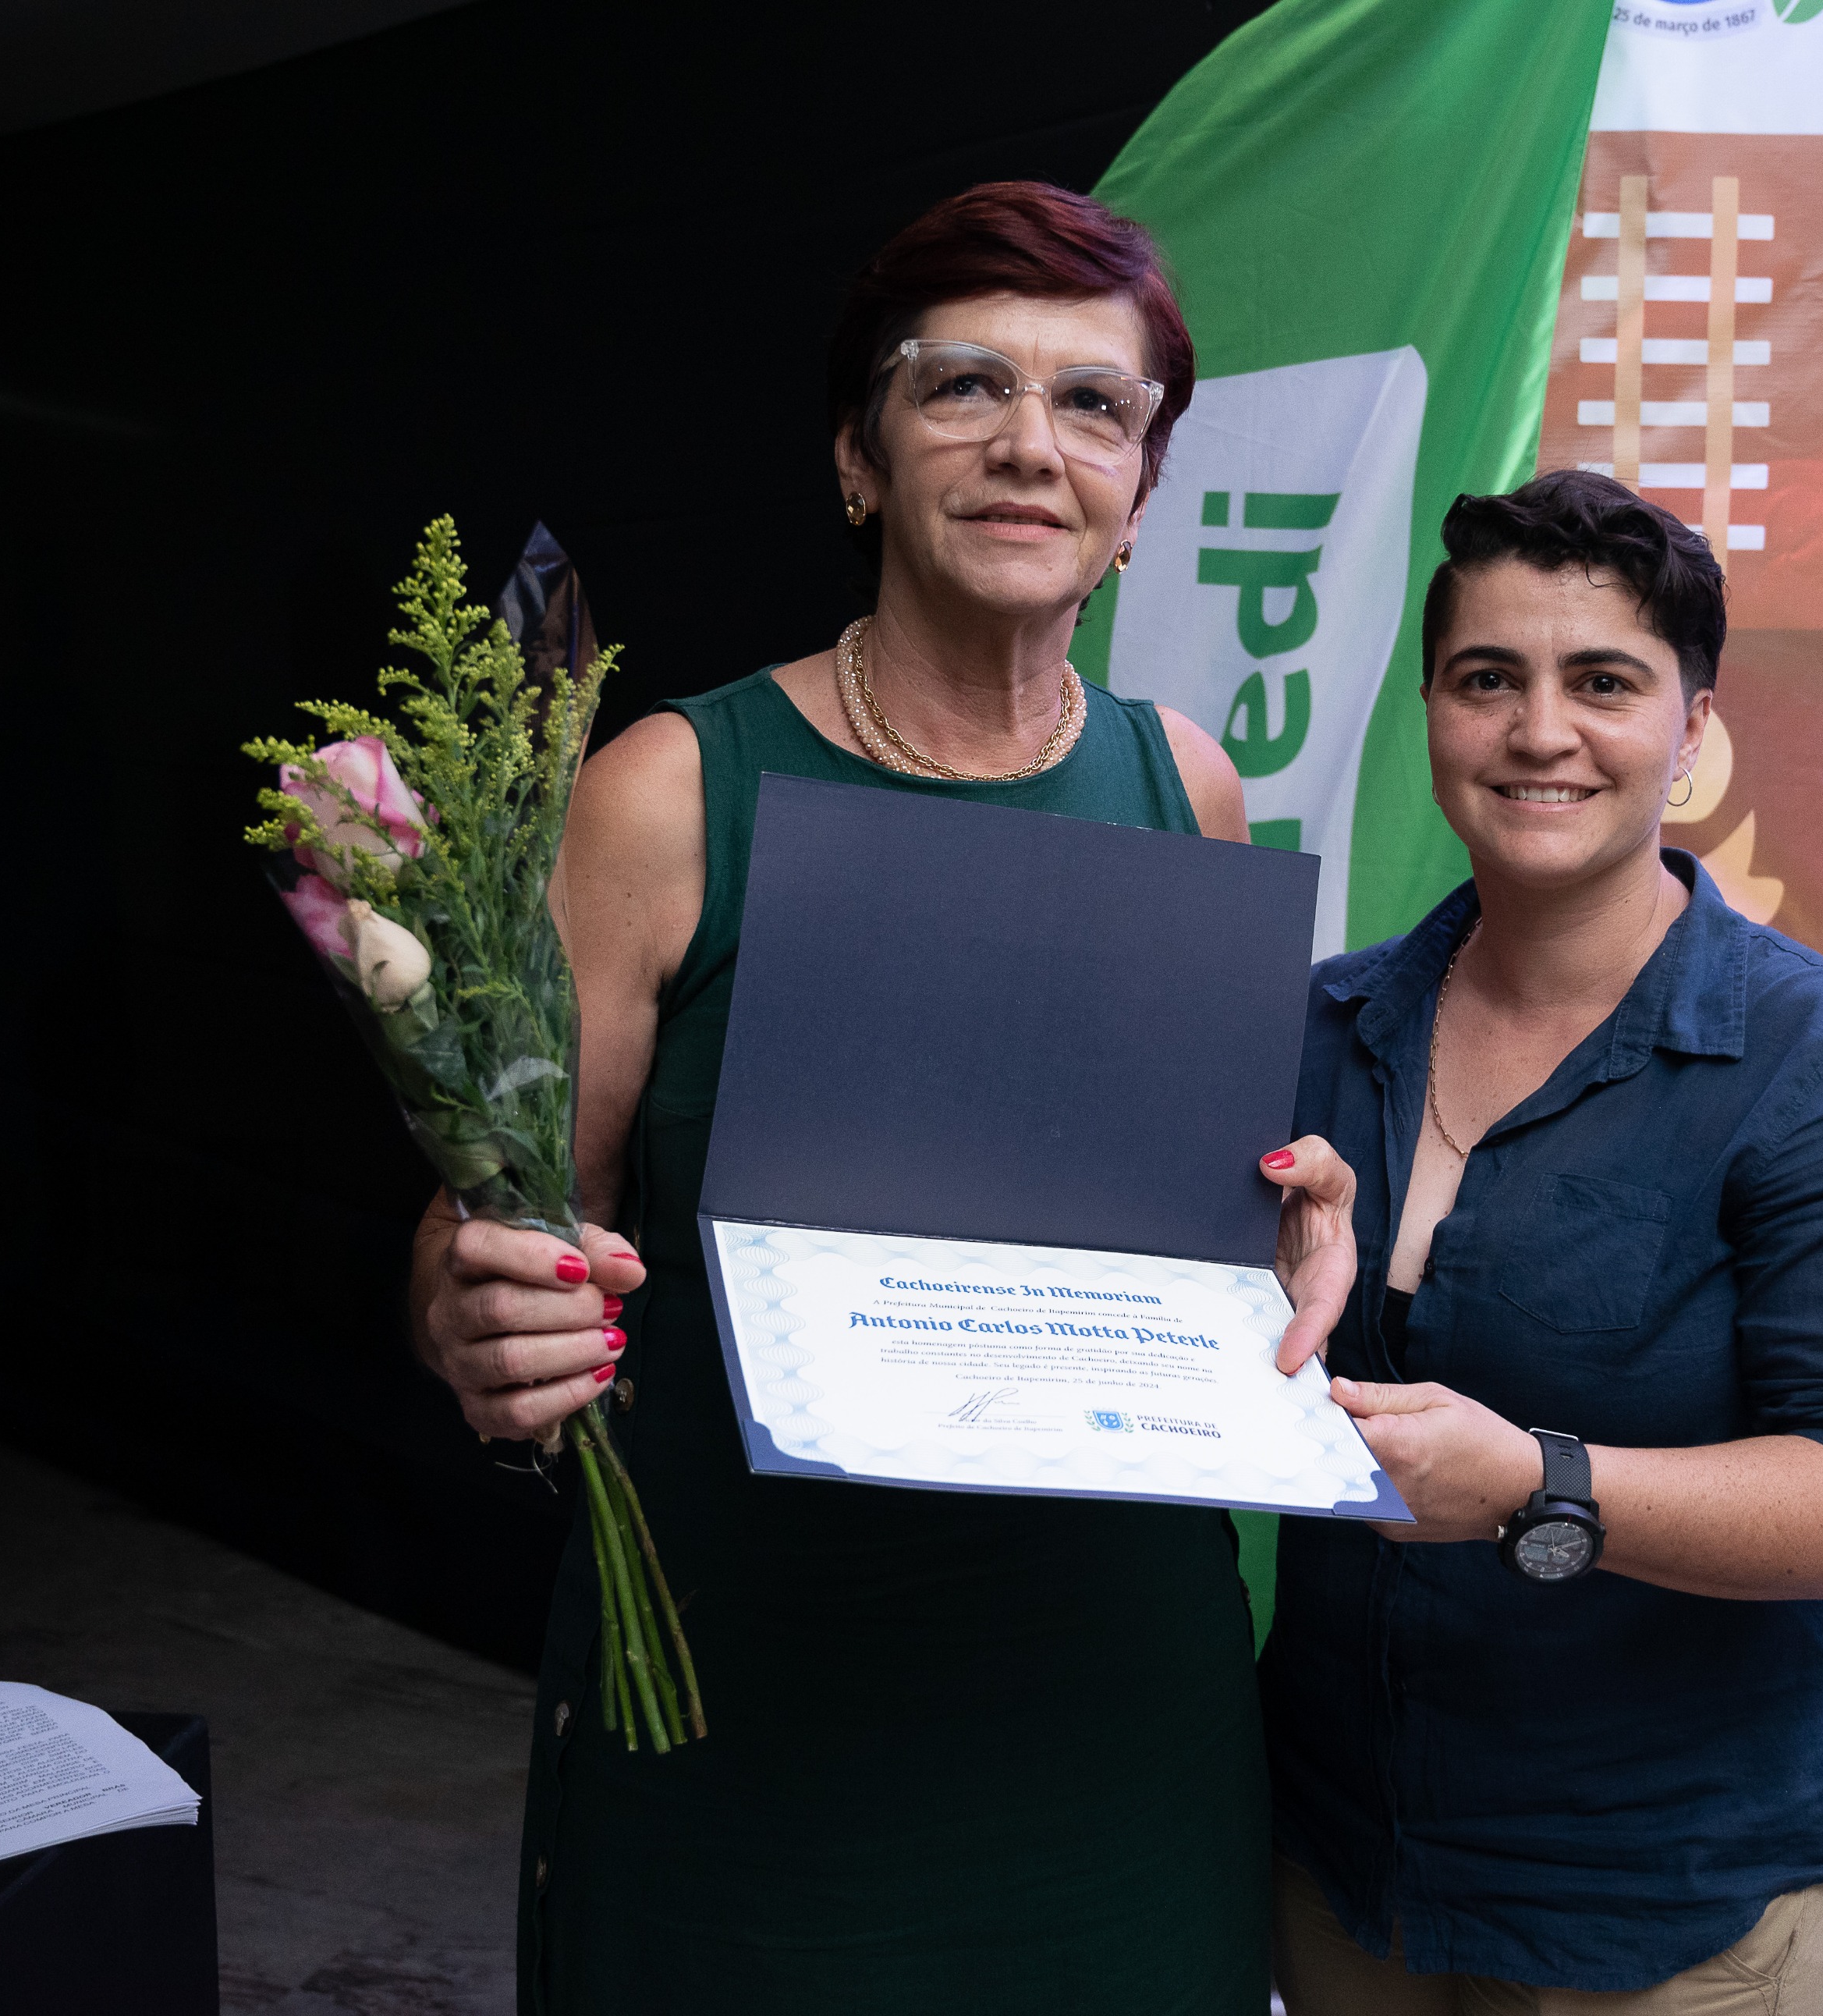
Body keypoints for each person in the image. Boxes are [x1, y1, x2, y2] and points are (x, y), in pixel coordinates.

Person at [407, 181, 1354, 2014]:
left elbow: (1173, 1218)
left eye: (1095, 404)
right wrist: (473, 1303)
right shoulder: (673, 790)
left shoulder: (1188, 785)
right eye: (962, 385)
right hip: (747, 1702)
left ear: (1142, 491)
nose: (1030, 444)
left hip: (1113, 1709)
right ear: (857, 454)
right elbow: (502, 1216)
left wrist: (1282, 1230)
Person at [1261, 471, 1823, 2015]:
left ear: (1694, 727)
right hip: (1342, 1867)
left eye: (1603, 682)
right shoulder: (1312, 1026)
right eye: (1487, 679)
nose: (1541, 730)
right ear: (1429, 711)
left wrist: (1539, 1483)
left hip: (1669, 1908)